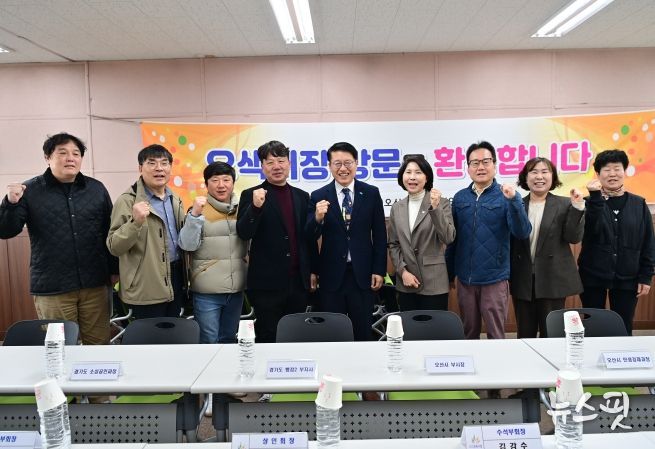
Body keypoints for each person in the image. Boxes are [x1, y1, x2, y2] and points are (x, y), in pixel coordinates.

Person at [0, 133, 115, 345]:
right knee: (60, 347)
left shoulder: (96, 189)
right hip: (53, 288)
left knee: (99, 345)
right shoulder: (29, 190)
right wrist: (11, 203)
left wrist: (114, 273)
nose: (70, 158)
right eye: (62, 153)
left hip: (95, 284)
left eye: (76, 154)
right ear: (47, 157)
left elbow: (109, 233)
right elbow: (6, 231)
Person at [446, 141, 531, 339]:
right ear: (468, 168)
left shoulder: (507, 195)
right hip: (465, 279)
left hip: (495, 278)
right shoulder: (460, 198)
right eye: (475, 163)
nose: (481, 167)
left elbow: (522, 232)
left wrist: (514, 201)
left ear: (495, 165)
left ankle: (497, 361)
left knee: (496, 334)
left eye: (486, 161)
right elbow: (453, 239)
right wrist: (449, 273)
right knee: (469, 333)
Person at [307, 142, 387, 341]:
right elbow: (309, 237)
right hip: (331, 275)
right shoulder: (318, 196)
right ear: (329, 166)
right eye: (337, 163)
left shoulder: (371, 193)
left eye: (348, 163)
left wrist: (379, 270)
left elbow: (380, 235)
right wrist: (317, 218)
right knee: (333, 333)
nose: (343, 168)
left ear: (356, 163)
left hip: (362, 275)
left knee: (363, 332)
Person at [236, 141, 312, 343]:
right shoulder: (251, 194)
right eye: (270, 162)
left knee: (296, 336)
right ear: (262, 166)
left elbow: (307, 239)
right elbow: (243, 232)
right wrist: (255, 208)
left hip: (298, 282)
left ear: (289, 164)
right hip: (266, 285)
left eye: (281, 161)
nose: (276, 166)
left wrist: (312, 271)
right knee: (268, 336)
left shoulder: (302, 196)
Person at [578, 149, 655, 335]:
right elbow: (592, 230)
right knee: (592, 326)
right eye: (606, 169)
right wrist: (595, 197)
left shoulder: (639, 204)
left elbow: (648, 242)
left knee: (623, 326)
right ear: (598, 174)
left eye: (617, 168)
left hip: (628, 276)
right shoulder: (589, 202)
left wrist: (646, 276)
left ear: (625, 171)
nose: (612, 174)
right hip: (592, 275)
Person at [107, 144, 186, 319]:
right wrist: (135, 222)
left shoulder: (174, 199)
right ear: (140, 168)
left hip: (175, 278)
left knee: (174, 332)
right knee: (150, 334)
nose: (159, 168)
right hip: (145, 284)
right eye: (152, 163)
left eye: (164, 163)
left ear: (170, 168)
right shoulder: (127, 201)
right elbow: (114, 246)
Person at [510, 157, 585, 338]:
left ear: (553, 177)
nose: (539, 177)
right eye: (534, 172)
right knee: (525, 334)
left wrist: (577, 206)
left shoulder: (565, 204)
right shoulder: (517, 204)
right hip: (523, 278)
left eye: (545, 172)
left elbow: (573, 238)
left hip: (553, 278)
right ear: (525, 177)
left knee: (551, 334)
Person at [178, 162, 246, 344]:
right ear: (206, 184)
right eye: (215, 180)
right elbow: (187, 245)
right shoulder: (198, 209)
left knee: (229, 340)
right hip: (207, 291)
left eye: (226, 180)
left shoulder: (243, 209)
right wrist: (194, 216)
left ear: (233, 183)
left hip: (237, 289)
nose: (221, 185)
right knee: (209, 341)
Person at [388, 154, 455, 311]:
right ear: (402, 177)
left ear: (427, 177)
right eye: (408, 172)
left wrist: (435, 208)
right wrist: (403, 271)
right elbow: (393, 244)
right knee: (409, 325)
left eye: (418, 172)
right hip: (406, 282)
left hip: (434, 282)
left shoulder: (442, 203)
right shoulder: (397, 208)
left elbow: (448, 237)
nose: (412, 177)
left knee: (435, 326)